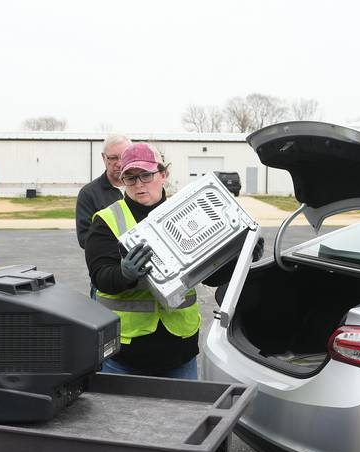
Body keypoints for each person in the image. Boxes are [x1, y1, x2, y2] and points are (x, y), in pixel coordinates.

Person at [85, 143, 263, 379]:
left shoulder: (189, 213)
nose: (139, 184)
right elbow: (100, 276)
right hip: (125, 357)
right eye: (130, 178)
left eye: (146, 175)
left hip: (179, 354)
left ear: (163, 175)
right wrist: (123, 274)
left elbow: (210, 275)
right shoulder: (107, 220)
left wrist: (242, 257)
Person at [75, 133, 131, 250]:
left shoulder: (141, 188)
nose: (119, 163)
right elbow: (84, 239)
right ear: (103, 158)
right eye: (113, 158)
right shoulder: (88, 194)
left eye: (124, 156)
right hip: (108, 263)